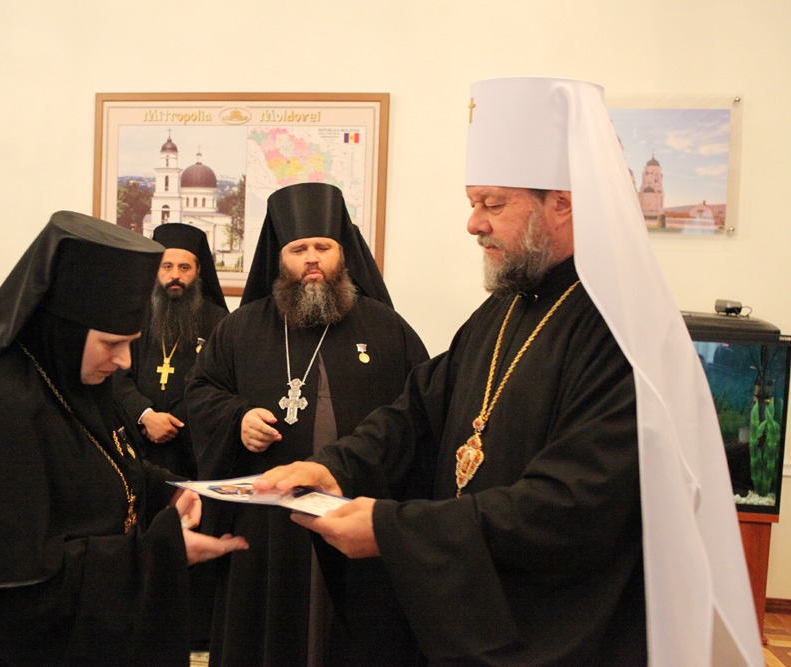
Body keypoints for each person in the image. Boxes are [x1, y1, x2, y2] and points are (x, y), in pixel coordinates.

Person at [257, 77, 762, 666]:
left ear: (562, 203)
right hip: (477, 616)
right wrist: (335, 466)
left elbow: (572, 504)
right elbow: (418, 411)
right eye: (472, 203)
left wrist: (393, 530)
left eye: (492, 204)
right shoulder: (505, 306)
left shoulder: (624, 334)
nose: (473, 223)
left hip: (565, 632)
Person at [0, 211, 247, 666]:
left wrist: (171, 490)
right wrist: (157, 554)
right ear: (64, 329)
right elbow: (9, 591)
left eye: (130, 342)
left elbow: (97, 462)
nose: (124, 361)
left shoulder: (71, 382)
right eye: (111, 343)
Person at [186, 182, 428, 666]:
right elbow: (200, 391)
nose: (312, 258)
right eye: (299, 249)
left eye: (323, 247)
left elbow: (420, 413)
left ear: (343, 254)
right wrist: (237, 418)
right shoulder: (240, 327)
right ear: (280, 258)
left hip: (356, 509)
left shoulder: (387, 327)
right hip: (269, 522)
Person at [114, 222, 229, 478]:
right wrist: (145, 414)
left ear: (198, 270)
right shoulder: (134, 313)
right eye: (167, 266)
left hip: (192, 446)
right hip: (136, 438)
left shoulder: (219, 321)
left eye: (184, 267)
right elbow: (115, 372)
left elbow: (220, 383)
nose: (175, 275)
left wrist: (174, 420)